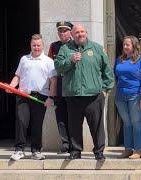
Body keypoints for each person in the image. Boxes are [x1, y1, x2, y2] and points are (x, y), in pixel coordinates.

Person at [54, 23, 114, 161]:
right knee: (74, 125)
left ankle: (99, 151)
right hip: (73, 95)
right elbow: (58, 67)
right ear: (72, 35)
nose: (79, 34)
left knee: (97, 125)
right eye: (76, 32)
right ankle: (75, 151)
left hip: (94, 95)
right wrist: (70, 60)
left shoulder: (97, 48)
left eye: (82, 32)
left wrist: (106, 89)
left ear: (86, 32)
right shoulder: (65, 49)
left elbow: (107, 71)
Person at [9, 34, 57, 161]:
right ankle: (19, 150)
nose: (36, 48)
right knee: (21, 121)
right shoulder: (24, 59)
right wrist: (11, 86)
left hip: (40, 96)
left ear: (42, 45)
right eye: (34, 45)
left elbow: (53, 81)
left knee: (37, 124)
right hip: (23, 95)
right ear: (30, 45)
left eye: (38, 45)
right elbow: (17, 76)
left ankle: (36, 150)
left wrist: (51, 97)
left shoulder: (48, 61)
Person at [115, 36, 141, 159]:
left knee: (136, 122)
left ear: (134, 46)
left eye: (127, 45)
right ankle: (128, 149)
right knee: (127, 123)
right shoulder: (119, 60)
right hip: (120, 96)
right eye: (124, 44)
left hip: (136, 94)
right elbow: (117, 76)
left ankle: (139, 150)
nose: (125, 47)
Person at [48, 21, 73, 154]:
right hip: (58, 87)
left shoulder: (75, 45)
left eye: (65, 31)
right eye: (60, 31)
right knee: (61, 118)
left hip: (72, 86)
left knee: (73, 117)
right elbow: (50, 68)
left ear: (70, 32)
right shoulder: (54, 46)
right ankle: (65, 144)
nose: (62, 33)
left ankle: (74, 144)